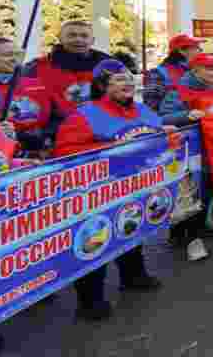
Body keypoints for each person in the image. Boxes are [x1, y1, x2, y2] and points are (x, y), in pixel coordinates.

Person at [54, 59, 164, 321]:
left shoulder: (143, 110)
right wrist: (111, 152)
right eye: (118, 79)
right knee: (95, 241)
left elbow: (157, 137)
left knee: (133, 228)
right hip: (98, 191)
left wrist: (169, 138)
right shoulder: (85, 114)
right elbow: (65, 153)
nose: (127, 83)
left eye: (129, 78)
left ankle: (133, 275)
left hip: (137, 185)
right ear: (102, 86)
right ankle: (90, 300)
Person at [158, 53, 213, 260]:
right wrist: (185, 116)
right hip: (197, 156)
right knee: (197, 197)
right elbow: (161, 118)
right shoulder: (179, 92)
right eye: (209, 68)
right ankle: (194, 240)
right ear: (194, 71)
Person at [22, 20, 113, 128]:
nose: (78, 39)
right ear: (60, 38)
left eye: (84, 36)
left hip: (104, 126)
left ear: (92, 40)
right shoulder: (36, 67)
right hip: (55, 130)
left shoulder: (110, 66)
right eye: (71, 35)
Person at [0, 38, 53, 159]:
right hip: (5, 158)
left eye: (17, 54)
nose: (14, 59)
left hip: (42, 153)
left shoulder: (39, 83)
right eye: (7, 55)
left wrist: (46, 139)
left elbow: (58, 116)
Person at [143, 34, 204, 111]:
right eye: (197, 48)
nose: (201, 51)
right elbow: (151, 106)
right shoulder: (157, 73)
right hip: (175, 121)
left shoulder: (197, 71)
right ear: (182, 50)